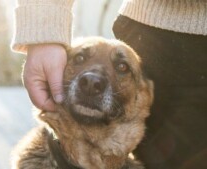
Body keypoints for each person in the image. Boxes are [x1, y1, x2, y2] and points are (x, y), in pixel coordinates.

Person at [11, 0, 207, 168]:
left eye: (121, 68)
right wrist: (45, 30)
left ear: (145, 95)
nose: (92, 80)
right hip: (156, 35)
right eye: (80, 58)